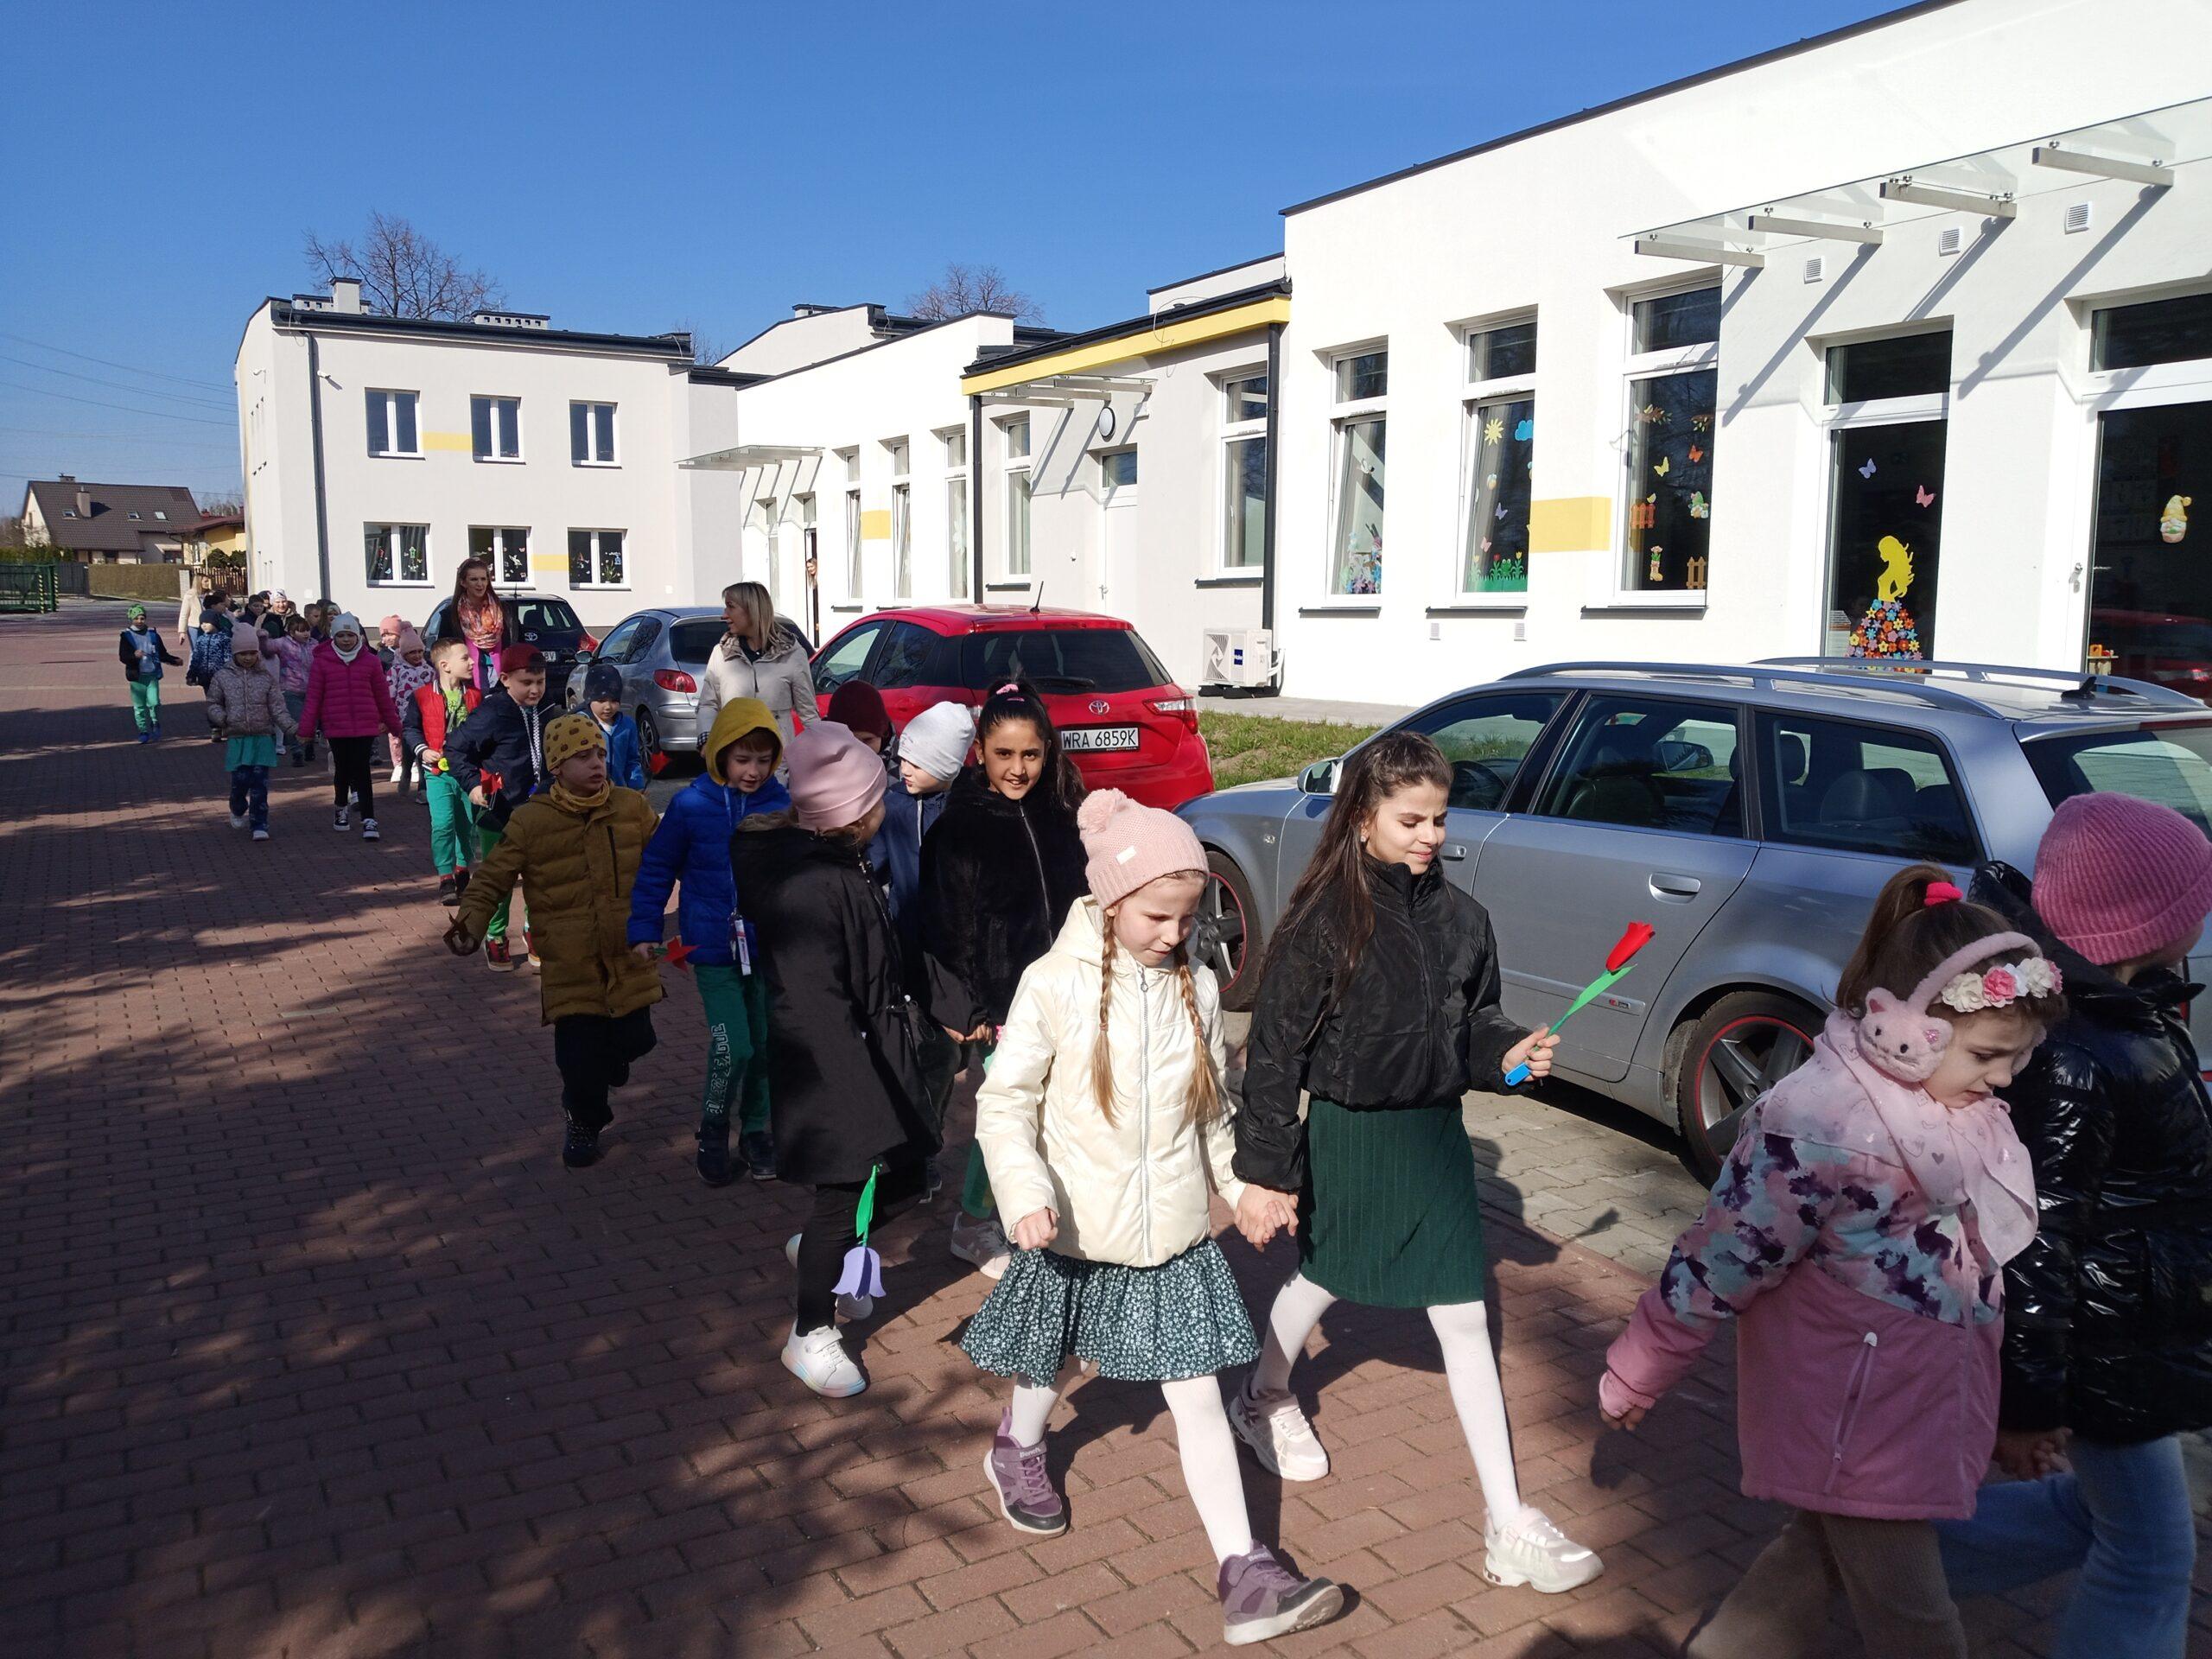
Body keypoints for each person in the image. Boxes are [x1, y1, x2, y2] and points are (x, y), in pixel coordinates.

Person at [1601, 864, 2065, 1656]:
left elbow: (1969, 1276)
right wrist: (1641, 1365)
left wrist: (1992, 1412)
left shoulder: (1958, 1111)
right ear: (1906, 1030)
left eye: (2017, 1058)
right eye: (1989, 1055)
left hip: (1898, 1409)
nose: (2004, 1079)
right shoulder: (1822, 1125)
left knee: (1808, 1564)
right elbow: (1722, 1257)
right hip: (1859, 1421)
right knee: (1916, 1624)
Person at [961, 788, 1347, 1647]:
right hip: (1071, 1226)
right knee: (1056, 1359)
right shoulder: (1052, 983)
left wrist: (1242, 1188)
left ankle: (1245, 1572)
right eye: (1156, 916)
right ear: (1110, 899)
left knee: (1197, 1399)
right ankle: (1016, 1446)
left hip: (1171, 1236)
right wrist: (1023, 1193)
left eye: (1186, 917)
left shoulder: (1197, 989)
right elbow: (1005, 1102)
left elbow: (1212, 1117)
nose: (1174, 934)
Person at [1232, 731, 1592, 1592]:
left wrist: (1507, 1055)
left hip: (1434, 1136)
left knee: (1463, 1315)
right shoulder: (1323, 920)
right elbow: (1275, 1054)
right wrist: (1266, 1172)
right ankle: (1262, 1396)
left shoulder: (1465, 918)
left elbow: (1477, 1022)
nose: (1430, 835)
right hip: (1352, 1133)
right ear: (1363, 817)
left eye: (1439, 819)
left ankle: (1507, 1523)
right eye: (1411, 820)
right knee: (1324, 1275)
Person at [1934, 796, 2212, 1659]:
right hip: (2102, 1350)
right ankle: (1874, 1550)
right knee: (2149, 1558)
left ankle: (1881, 1552)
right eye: (2194, 897)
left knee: (2091, 1514)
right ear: (2141, 923)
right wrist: (2028, 1407)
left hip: (2130, 1334)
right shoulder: (2077, 1053)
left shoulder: (2126, 1013)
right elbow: (2033, 1240)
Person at [730, 721, 939, 1398]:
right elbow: (817, 1006)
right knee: (842, 1199)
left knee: (909, 1177)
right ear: (852, 813)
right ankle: (810, 1331)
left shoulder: (846, 863)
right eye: (877, 799)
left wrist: (950, 1009)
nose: (886, 807)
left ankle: (828, 1255)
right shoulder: (809, 887)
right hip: (832, 1072)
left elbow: (884, 960)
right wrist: (864, 1102)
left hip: (874, 1051)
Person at [920, 682, 1089, 1280]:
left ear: (1048, 752)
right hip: (1001, 1005)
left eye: (1031, 754)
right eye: (1004, 755)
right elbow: (942, 925)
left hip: (1063, 991)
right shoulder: (958, 830)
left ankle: (1030, 1209)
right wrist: (964, 1007)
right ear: (980, 754)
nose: (1019, 769)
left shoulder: (1061, 816)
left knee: (1050, 1108)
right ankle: (973, 1223)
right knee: (1011, 1112)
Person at [447, 714, 662, 1170]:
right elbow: (493, 878)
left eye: (600, 753)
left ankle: (610, 1064)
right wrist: (469, 924)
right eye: (583, 757)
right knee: (578, 1061)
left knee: (636, 1039)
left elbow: (669, 859)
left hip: (627, 955)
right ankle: (583, 1122)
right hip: (570, 963)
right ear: (558, 767)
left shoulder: (631, 808)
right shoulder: (531, 821)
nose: (596, 763)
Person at [628, 697, 791, 1186]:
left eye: (764, 760)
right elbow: (657, 867)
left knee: (764, 1046)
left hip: (767, 949)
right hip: (712, 949)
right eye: (742, 759)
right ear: (720, 753)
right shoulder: (690, 805)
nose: (753, 771)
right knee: (733, 1045)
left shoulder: (781, 804)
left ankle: (756, 1131)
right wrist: (645, 929)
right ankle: (714, 1126)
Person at [446, 644, 550, 970]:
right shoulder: (493, 712)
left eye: (540, 681)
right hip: (498, 813)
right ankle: (495, 935)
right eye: (526, 682)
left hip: (539, 811)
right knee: (500, 880)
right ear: (505, 679)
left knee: (541, 877)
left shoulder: (548, 708)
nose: (535, 690)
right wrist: (473, 785)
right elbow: (456, 749)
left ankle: (535, 930)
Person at [869, 699, 976, 969]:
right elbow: (875, 866)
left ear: (945, 766)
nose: (904, 770)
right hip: (909, 935)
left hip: (961, 939)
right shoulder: (893, 806)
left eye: (916, 765)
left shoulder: (968, 807)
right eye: (903, 759)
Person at [299, 613, 404, 841]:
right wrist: (306, 729)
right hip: (336, 726)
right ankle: (341, 807)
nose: (346, 640)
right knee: (343, 771)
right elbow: (314, 698)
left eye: (350, 635)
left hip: (365, 725)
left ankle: (369, 818)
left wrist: (394, 725)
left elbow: (382, 696)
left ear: (358, 636)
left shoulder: (371, 661)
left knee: (362, 771)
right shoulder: (322, 662)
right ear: (333, 637)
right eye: (341, 635)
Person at [404, 638, 483, 906]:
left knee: (467, 824)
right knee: (442, 824)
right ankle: (445, 877)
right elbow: (410, 728)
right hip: (437, 773)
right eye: (465, 658)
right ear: (445, 665)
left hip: (468, 773)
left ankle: (462, 869)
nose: (471, 662)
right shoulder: (422, 696)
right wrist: (423, 750)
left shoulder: (475, 696)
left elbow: (484, 732)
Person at [694, 581, 814, 755]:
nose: (724, 615)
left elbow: (809, 714)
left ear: (752, 609)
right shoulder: (721, 653)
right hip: (733, 759)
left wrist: (822, 754)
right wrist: (707, 742)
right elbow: (707, 704)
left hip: (778, 763)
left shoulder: (793, 654)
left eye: (730, 607)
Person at [204, 628, 295, 842]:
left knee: (260, 784)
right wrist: (222, 718)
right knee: (240, 781)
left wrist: (292, 729)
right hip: (238, 738)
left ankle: (259, 824)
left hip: (262, 738)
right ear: (235, 654)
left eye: (252, 653)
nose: (248, 658)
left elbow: (278, 708)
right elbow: (213, 703)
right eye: (243, 653)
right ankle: (237, 807)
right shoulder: (222, 677)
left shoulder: (266, 678)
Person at [434, 558, 506, 690]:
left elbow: (515, 641)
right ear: (463, 582)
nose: (480, 584)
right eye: (474, 579)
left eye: (483, 579)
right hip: (468, 675)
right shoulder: (451, 614)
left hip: (501, 674)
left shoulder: (502, 609)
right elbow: (444, 649)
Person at [580, 662, 647, 792]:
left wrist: (636, 785)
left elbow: (633, 760)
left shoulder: (628, 725)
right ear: (589, 699)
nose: (608, 707)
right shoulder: (580, 724)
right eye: (601, 700)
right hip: (589, 794)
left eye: (614, 700)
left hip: (619, 792)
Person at [118, 604, 181, 742]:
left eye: (142, 618)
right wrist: (134, 656)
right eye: (136, 618)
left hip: (152, 674)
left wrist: (174, 660)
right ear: (131, 619)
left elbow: (162, 653)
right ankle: (143, 731)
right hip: (136, 676)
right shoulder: (126, 636)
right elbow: (123, 656)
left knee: (154, 702)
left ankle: (155, 722)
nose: (140, 621)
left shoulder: (153, 635)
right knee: (139, 706)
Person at [385, 627, 435, 797]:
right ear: (403, 653)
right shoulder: (396, 671)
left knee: (422, 749)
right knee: (407, 747)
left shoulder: (429, 670)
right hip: (404, 717)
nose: (417, 655)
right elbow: (389, 694)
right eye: (412, 652)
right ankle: (406, 771)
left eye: (420, 651)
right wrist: (390, 715)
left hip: (425, 716)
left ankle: (423, 787)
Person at [267, 613, 318, 766]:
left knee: (311, 721)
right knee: (296, 721)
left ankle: (308, 745)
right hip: (291, 689)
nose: (306, 634)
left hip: (312, 690)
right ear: (291, 632)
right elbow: (266, 648)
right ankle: (297, 752)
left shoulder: (314, 645)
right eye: (301, 631)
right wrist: (262, 637)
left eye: (307, 630)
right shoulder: (283, 643)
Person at [826, 680, 892, 755]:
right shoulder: (821, 759)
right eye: (848, 741)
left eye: (867, 740)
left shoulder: (898, 761)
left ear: (883, 735)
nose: (859, 751)